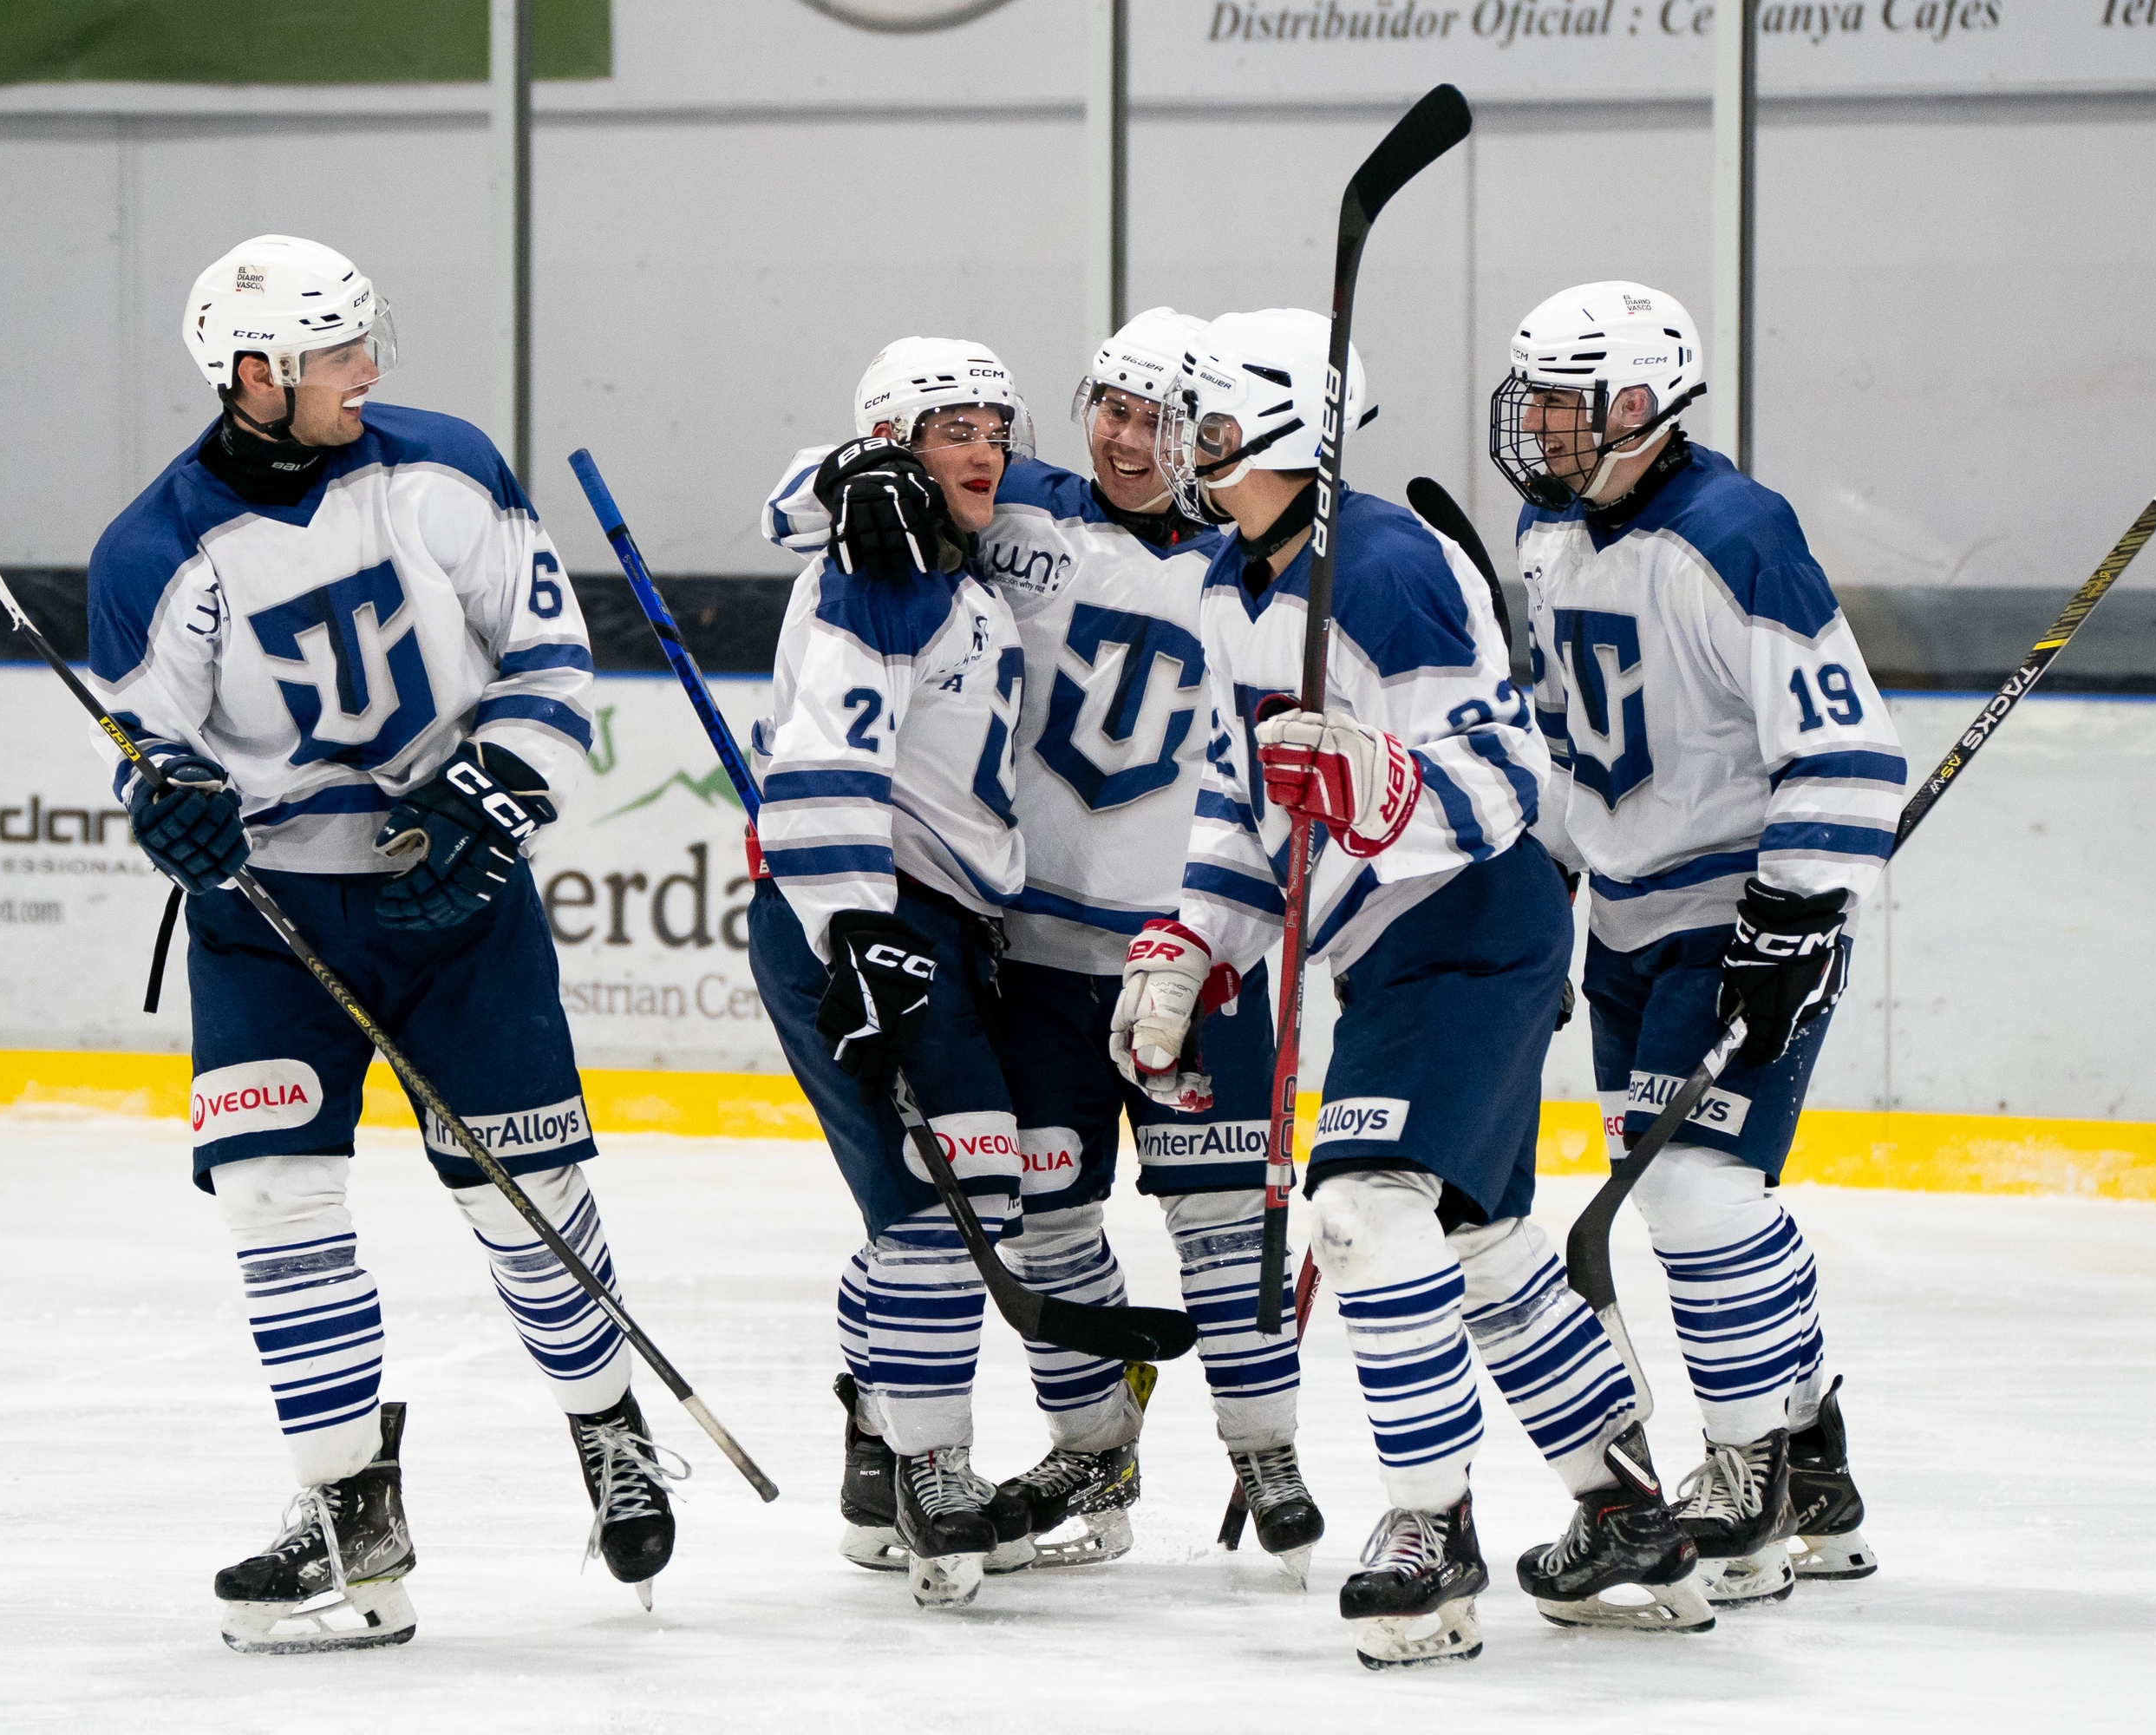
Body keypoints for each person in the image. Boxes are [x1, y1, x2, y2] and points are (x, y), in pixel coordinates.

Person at [86, 234, 675, 1653]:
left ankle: (608, 1425)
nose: (367, 370)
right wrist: (174, 812)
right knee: (274, 1203)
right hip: (270, 924)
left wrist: (496, 790)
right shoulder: (149, 553)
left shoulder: (443, 467)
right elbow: (151, 750)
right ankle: (350, 1511)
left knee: (522, 1197)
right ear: (254, 374)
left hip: (457, 898)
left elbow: (546, 656)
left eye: (365, 342)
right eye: (336, 352)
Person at [1110, 308, 1702, 1669]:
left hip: (1472, 927)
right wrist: (1192, 944)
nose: (1178, 444)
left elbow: (1499, 778)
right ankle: (1626, 1512)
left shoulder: (1383, 567)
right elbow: (1243, 804)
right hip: (1388, 953)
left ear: (1280, 428)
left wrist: (1382, 780)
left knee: (1367, 1211)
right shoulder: (1225, 587)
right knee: (1480, 1246)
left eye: (1205, 421)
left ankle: (1431, 1531)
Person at [761, 311, 1323, 1580]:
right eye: (1111, 408)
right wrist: (843, 475)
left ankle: (1268, 1451)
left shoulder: (1267, 567)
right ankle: (1088, 1447)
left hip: (1196, 951)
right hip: (1030, 953)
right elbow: (821, 504)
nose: (1127, 439)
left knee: (1223, 1220)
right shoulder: (1022, 510)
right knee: (1040, 1213)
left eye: (1162, 420)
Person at [1493, 279, 1897, 1604]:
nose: (1539, 427)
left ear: (1637, 402)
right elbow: (1568, 745)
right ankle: (1814, 1455)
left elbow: (1846, 747)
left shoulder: (1735, 532)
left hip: (1737, 917)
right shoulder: (1551, 537)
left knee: (1695, 1194)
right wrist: (1538, 896)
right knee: (1695, 1197)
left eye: (1563, 402)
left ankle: (1749, 1469)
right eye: (1533, 399)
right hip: (1627, 925)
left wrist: (1795, 913)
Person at [743, 336, 1036, 1610]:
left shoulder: (936, 556)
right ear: (894, 447)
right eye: (953, 428)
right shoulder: (886, 567)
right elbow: (827, 759)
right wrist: (857, 929)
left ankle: (880, 1449)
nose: (986, 451)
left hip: (929, 918)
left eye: (996, 428)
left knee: (936, 1202)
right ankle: (932, 1472)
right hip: (870, 913)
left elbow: (793, 498)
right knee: (949, 1198)